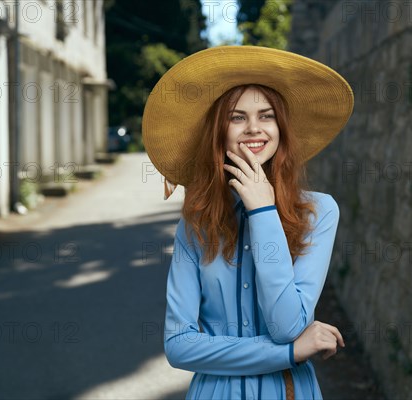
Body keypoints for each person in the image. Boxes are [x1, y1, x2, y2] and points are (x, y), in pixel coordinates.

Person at [142, 45, 354, 400]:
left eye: (266, 115)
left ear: (281, 128)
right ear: (219, 130)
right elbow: (179, 346)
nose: (253, 128)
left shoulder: (319, 212)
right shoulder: (196, 224)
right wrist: (286, 354)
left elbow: (288, 326)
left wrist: (263, 212)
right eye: (237, 117)